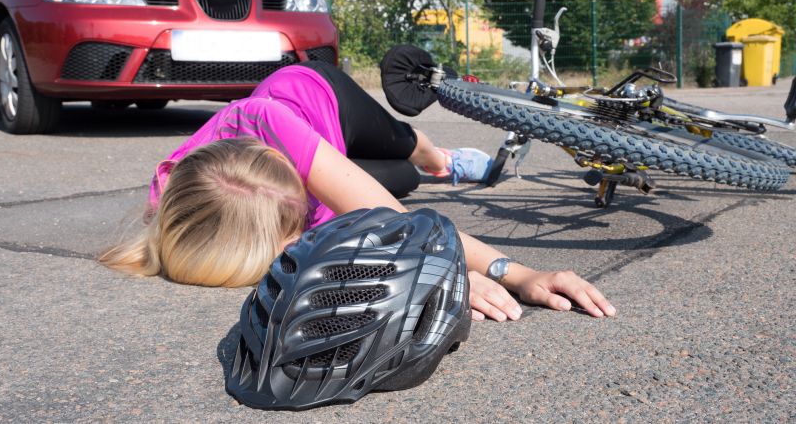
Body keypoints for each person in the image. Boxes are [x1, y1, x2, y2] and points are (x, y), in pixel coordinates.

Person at [100, 61, 615, 321]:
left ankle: (445, 159)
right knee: (403, 182)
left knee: (410, 152)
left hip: (317, 98)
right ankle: (403, 170)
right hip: (305, 164)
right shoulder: (194, 219)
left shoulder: (265, 122)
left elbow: (403, 226)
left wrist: (513, 273)